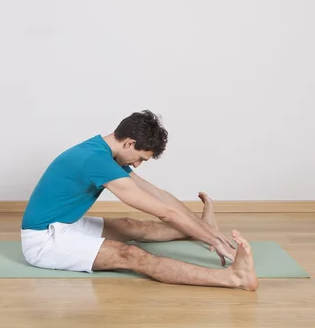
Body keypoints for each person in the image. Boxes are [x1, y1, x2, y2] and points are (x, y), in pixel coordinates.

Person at [21, 110, 258, 290]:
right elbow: (164, 212)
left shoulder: (104, 152)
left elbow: (158, 195)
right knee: (132, 255)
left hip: (67, 223)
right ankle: (233, 277)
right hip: (44, 240)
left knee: (130, 225)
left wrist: (205, 229)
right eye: (141, 158)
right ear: (129, 143)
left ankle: (195, 229)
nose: (136, 164)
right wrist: (213, 241)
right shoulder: (95, 160)